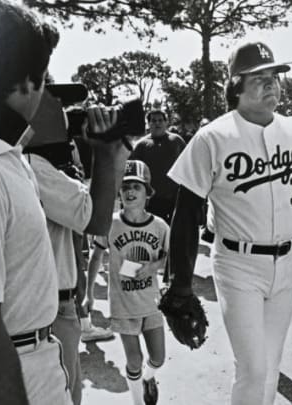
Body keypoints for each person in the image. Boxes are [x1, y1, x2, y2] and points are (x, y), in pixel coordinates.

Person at [166, 41, 292, 405]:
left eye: (274, 76)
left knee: (271, 367)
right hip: (236, 263)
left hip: (288, 261)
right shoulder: (211, 138)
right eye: (258, 77)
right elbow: (185, 216)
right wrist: (181, 284)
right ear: (235, 87)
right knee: (253, 369)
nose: (270, 84)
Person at [21, 77, 131, 405]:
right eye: (58, 105)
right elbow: (97, 218)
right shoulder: (33, 167)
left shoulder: (38, 165)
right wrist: (105, 150)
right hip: (49, 313)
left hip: (53, 303)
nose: (69, 115)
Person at [0, 2, 69, 404]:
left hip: (34, 355)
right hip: (14, 366)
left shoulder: (7, 159)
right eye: (43, 78)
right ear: (22, 84)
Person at [87, 160, 168, 405]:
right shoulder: (110, 223)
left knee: (158, 358)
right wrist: (88, 292)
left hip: (151, 302)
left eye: (136, 186)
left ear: (148, 193)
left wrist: (153, 267)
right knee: (134, 359)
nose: (130, 191)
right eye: (124, 187)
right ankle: (138, 401)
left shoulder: (159, 226)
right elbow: (97, 255)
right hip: (123, 304)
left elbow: (169, 257)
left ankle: (148, 377)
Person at [131, 109, 186, 223]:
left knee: (174, 233)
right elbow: (133, 172)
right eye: (153, 120)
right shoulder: (141, 145)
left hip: (175, 197)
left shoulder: (176, 141)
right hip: (152, 198)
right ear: (149, 124)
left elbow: (187, 164)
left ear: (166, 123)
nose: (157, 123)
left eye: (161, 120)